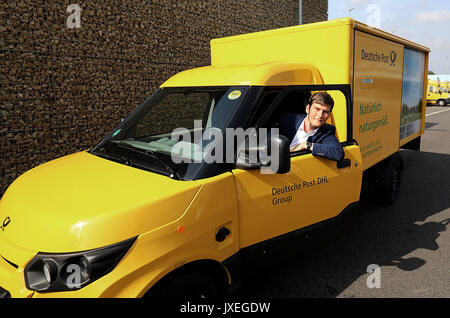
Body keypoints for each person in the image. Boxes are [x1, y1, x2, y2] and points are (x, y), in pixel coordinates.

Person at [279, 92, 344, 161]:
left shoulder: (326, 132)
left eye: (325, 112)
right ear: (308, 109)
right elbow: (267, 139)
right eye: (317, 109)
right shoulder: (288, 120)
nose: (320, 115)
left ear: (329, 115)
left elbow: (338, 153)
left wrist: (306, 145)